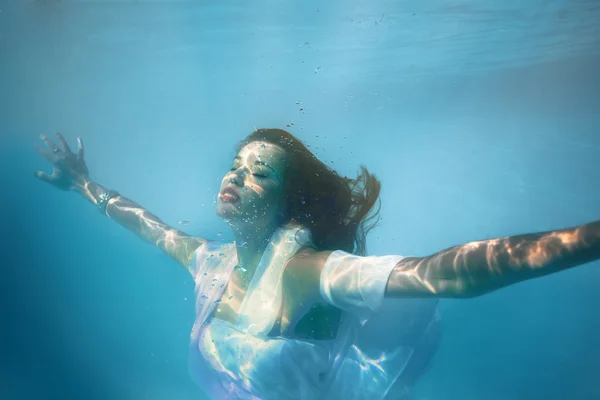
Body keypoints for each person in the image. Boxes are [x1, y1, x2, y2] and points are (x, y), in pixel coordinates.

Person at [34, 129, 599, 400]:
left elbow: (448, 272)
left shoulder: (308, 270)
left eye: (258, 173)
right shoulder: (209, 261)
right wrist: (84, 184)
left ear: (284, 202)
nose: (234, 176)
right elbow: (147, 225)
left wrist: (588, 240)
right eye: (235, 165)